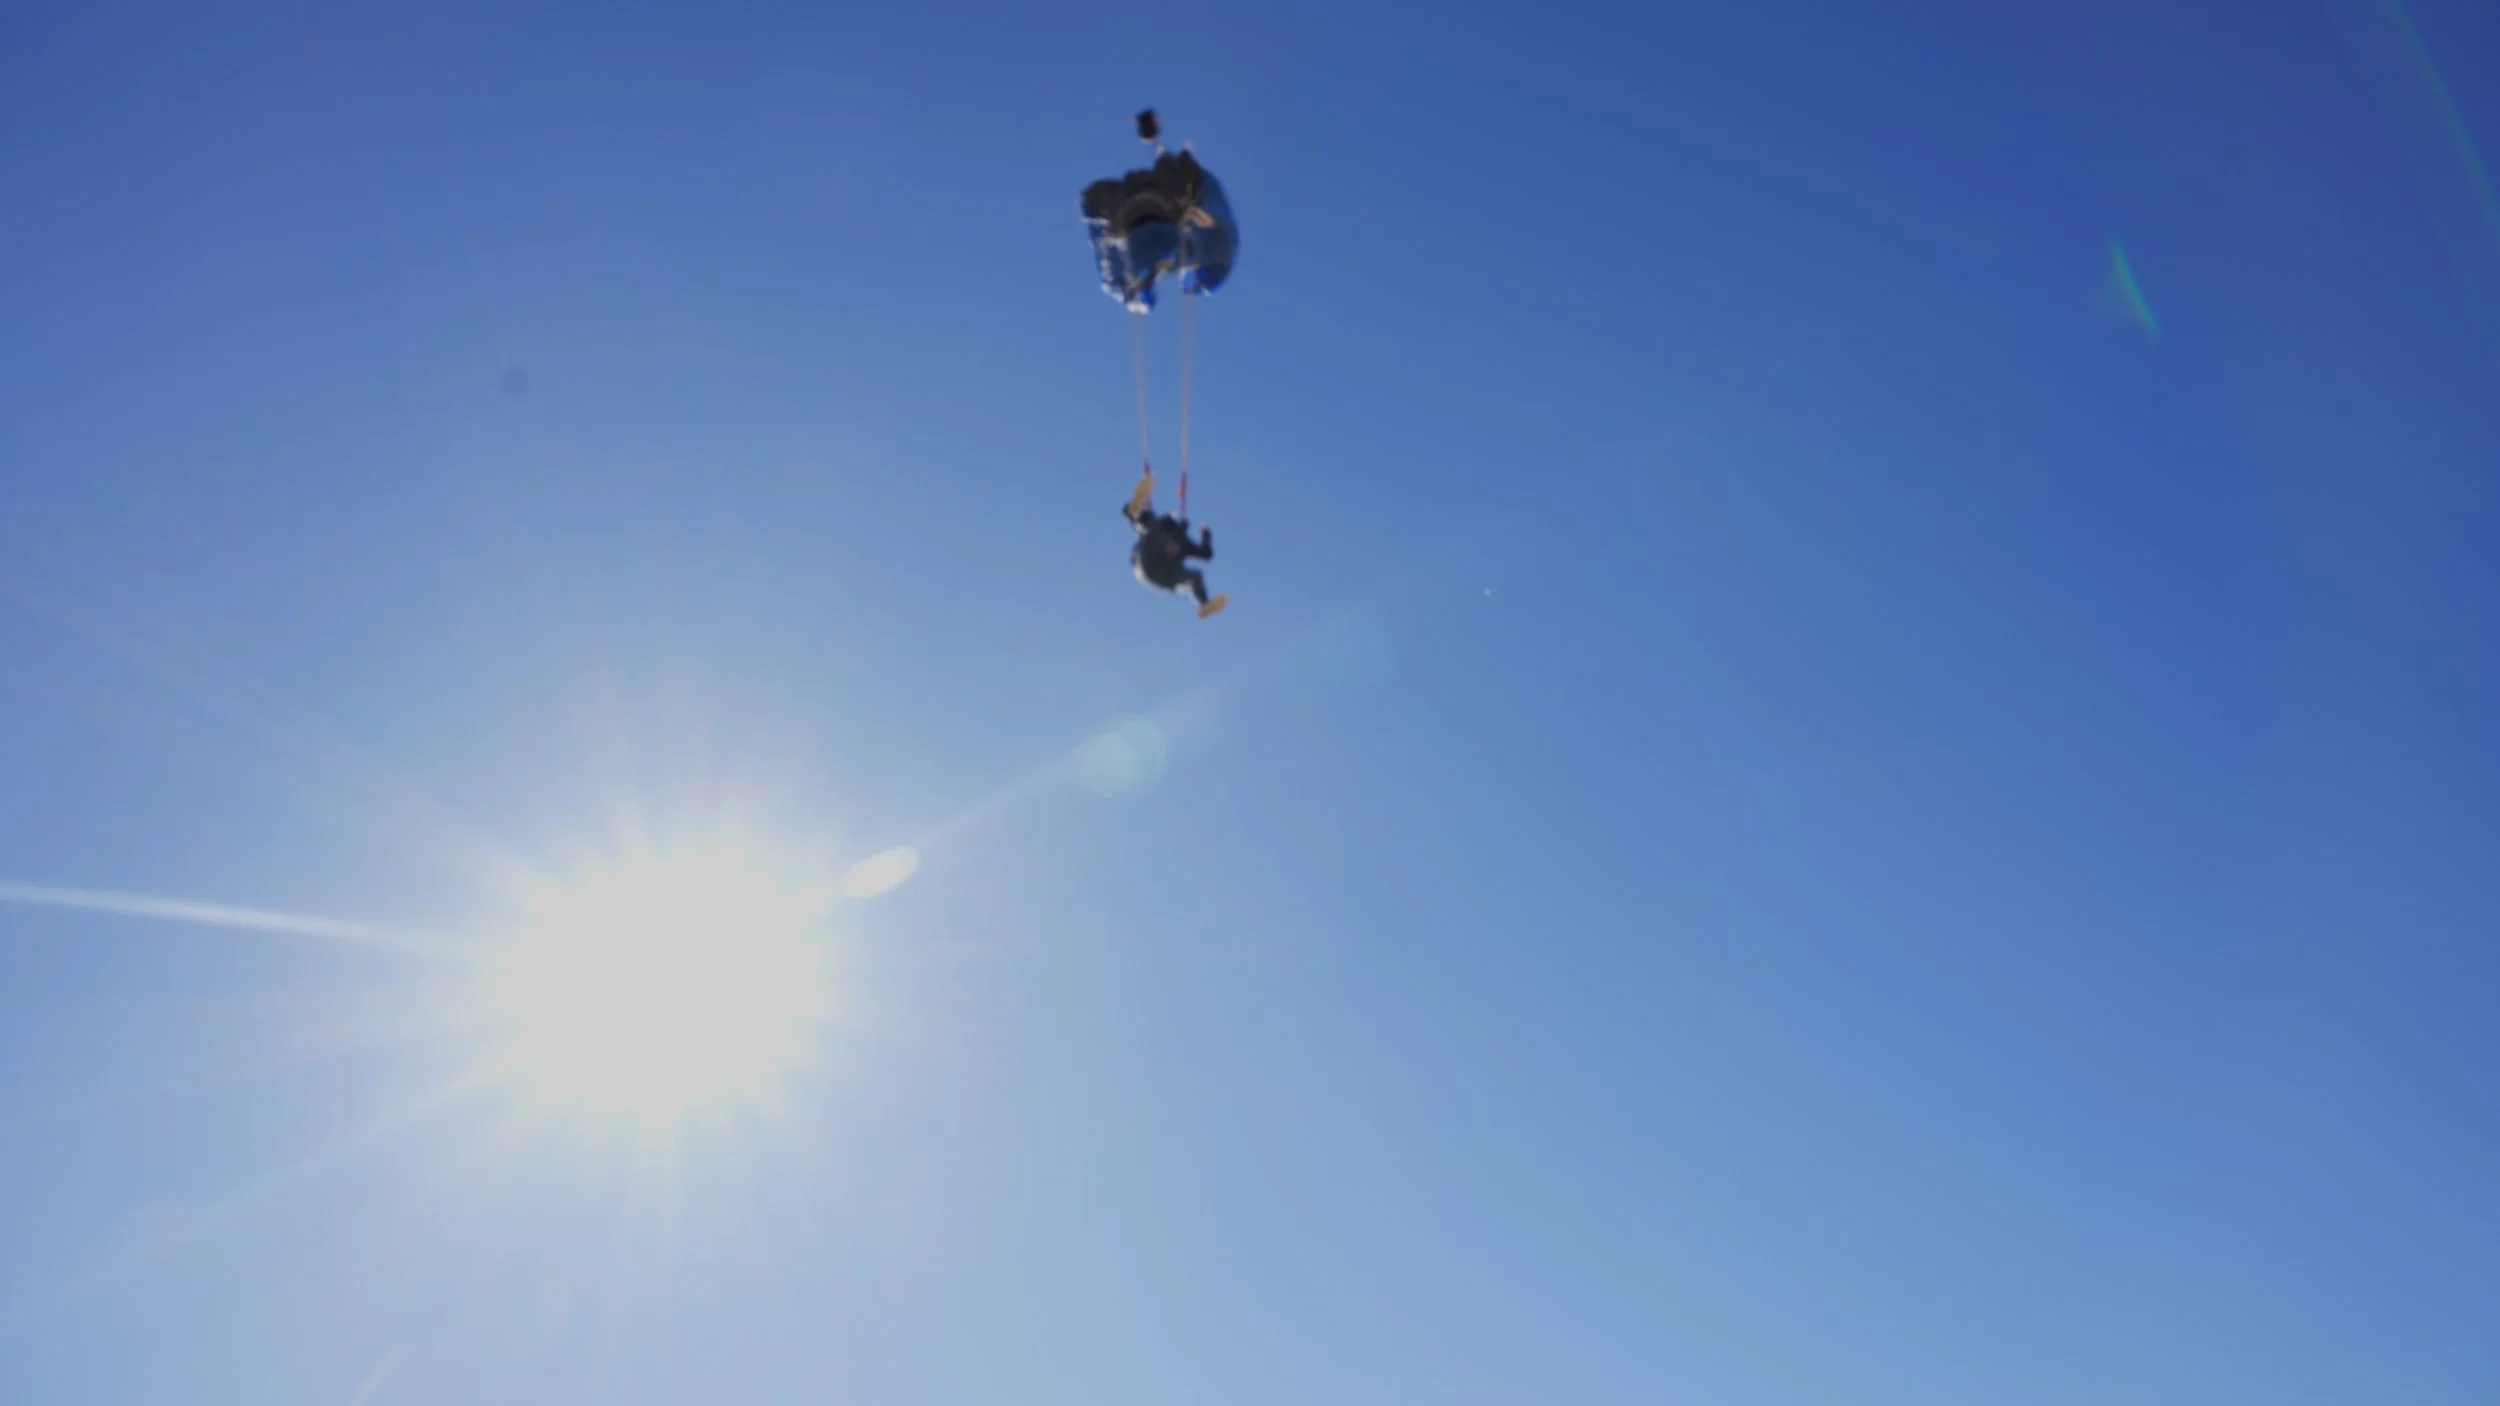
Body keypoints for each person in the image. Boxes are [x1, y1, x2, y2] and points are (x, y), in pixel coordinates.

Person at [1081, 110, 1239, 313]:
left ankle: (1138, 281)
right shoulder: (1204, 240)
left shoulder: (1194, 239)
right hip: (1166, 202)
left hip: (1145, 204)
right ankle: (1138, 282)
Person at [1123, 470, 1226, 618]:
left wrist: (1206, 536)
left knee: (1195, 576)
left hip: (1165, 575)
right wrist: (1139, 508)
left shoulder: (1183, 541)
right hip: (1149, 562)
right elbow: (1127, 512)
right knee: (1150, 526)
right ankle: (1137, 510)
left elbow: (1206, 554)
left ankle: (1204, 605)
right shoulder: (1158, 527)